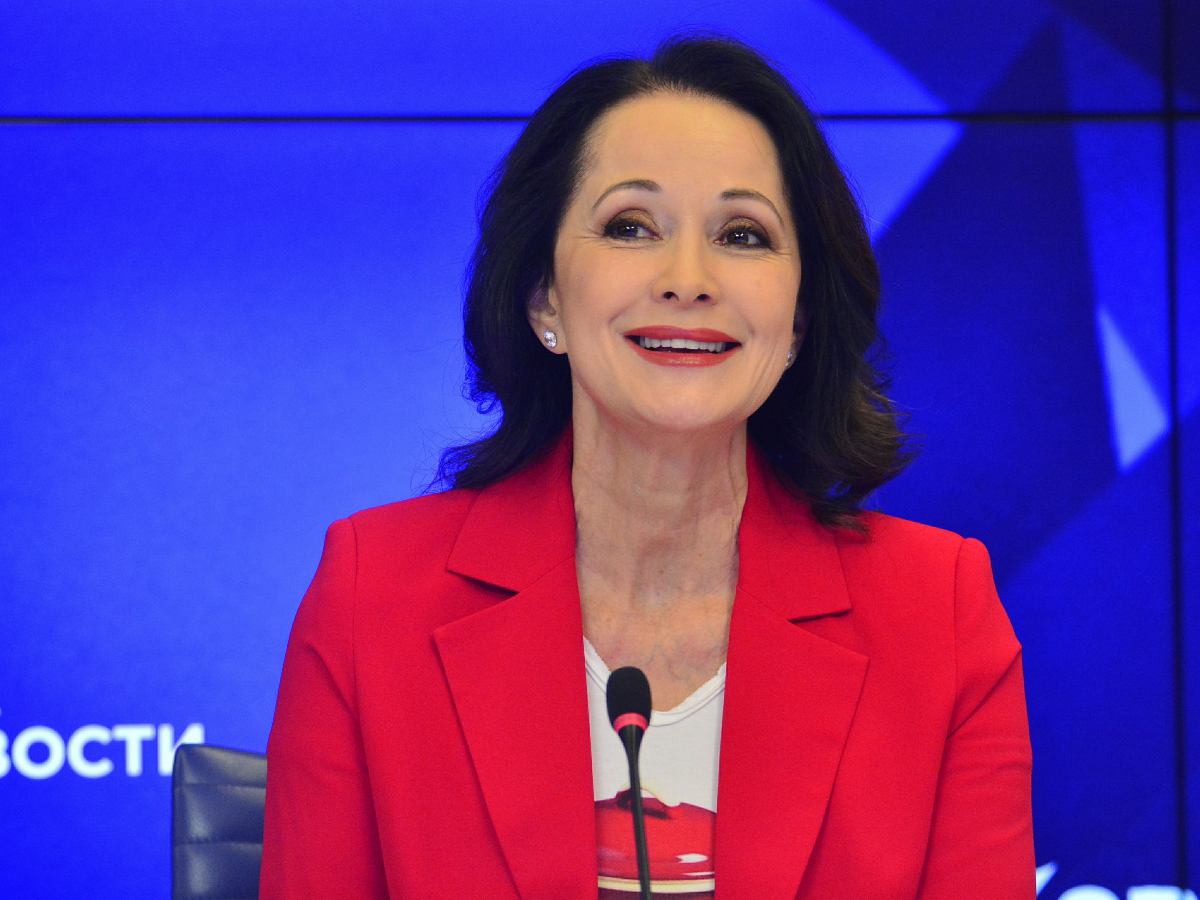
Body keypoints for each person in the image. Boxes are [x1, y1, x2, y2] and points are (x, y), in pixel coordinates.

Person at [260, 36, 1034, 898]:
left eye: (742, 235)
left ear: (799, 319)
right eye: (631, 226)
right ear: (545, 297)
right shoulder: (374, 598)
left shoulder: (936, 615)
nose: (687, 279)